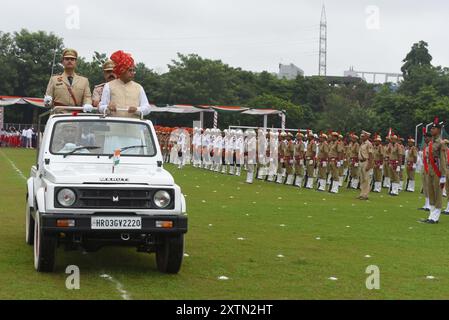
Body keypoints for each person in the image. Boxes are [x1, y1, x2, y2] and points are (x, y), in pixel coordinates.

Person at [99, 50, 151, 118]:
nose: (132, 73)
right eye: (130, 70)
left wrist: (137, 109)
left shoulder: (139, 87)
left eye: (133, 70)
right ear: (122, 70)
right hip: (114, 125)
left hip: (134, 126)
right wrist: (108, 107)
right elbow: (101, 107)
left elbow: (147, 108)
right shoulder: (109, 86)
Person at [44, 48, 93, 113]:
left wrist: (87, 104)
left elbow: (87, 97)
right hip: (59, 116)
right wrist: (47, 101)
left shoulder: (84, 81)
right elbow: (48, 102)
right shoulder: (54, 79)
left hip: (77, 117)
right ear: (63, 62)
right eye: (67, 59)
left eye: (72, 59)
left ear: (76, 62)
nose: (69, 61)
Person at [422, 119, 447, 224]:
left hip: (438, 171)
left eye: (434, 128)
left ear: (439, 130)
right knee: (431, 192)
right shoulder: (431, 143)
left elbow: (443, 160)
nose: (431, 130)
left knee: (438, 193)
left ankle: (435, 216)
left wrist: (443, 175)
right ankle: (431, 215)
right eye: (431, 128)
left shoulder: (441, 143)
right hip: (430, 171)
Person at [358, 131, 374, 200]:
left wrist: (369, 165)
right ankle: (362, 193)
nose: (361, 137)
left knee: (366, 179)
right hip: (361, 162)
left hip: (366, 162)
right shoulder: (362, 143)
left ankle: (365, 195)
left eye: (363, 136)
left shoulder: (369, 144)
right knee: (362, 179)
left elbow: (370, 155)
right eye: (361, 136)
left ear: (367, 137)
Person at [419, 129, 432, 211]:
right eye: (424, 137)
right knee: (425, 186)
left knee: (429, 186)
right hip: (425, 167)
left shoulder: (432, 146)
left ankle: (430, 204)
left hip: (430, 168)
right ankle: (426, 204)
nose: (425, 139)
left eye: (427, 137)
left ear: (430, 138)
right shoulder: (426, 146)